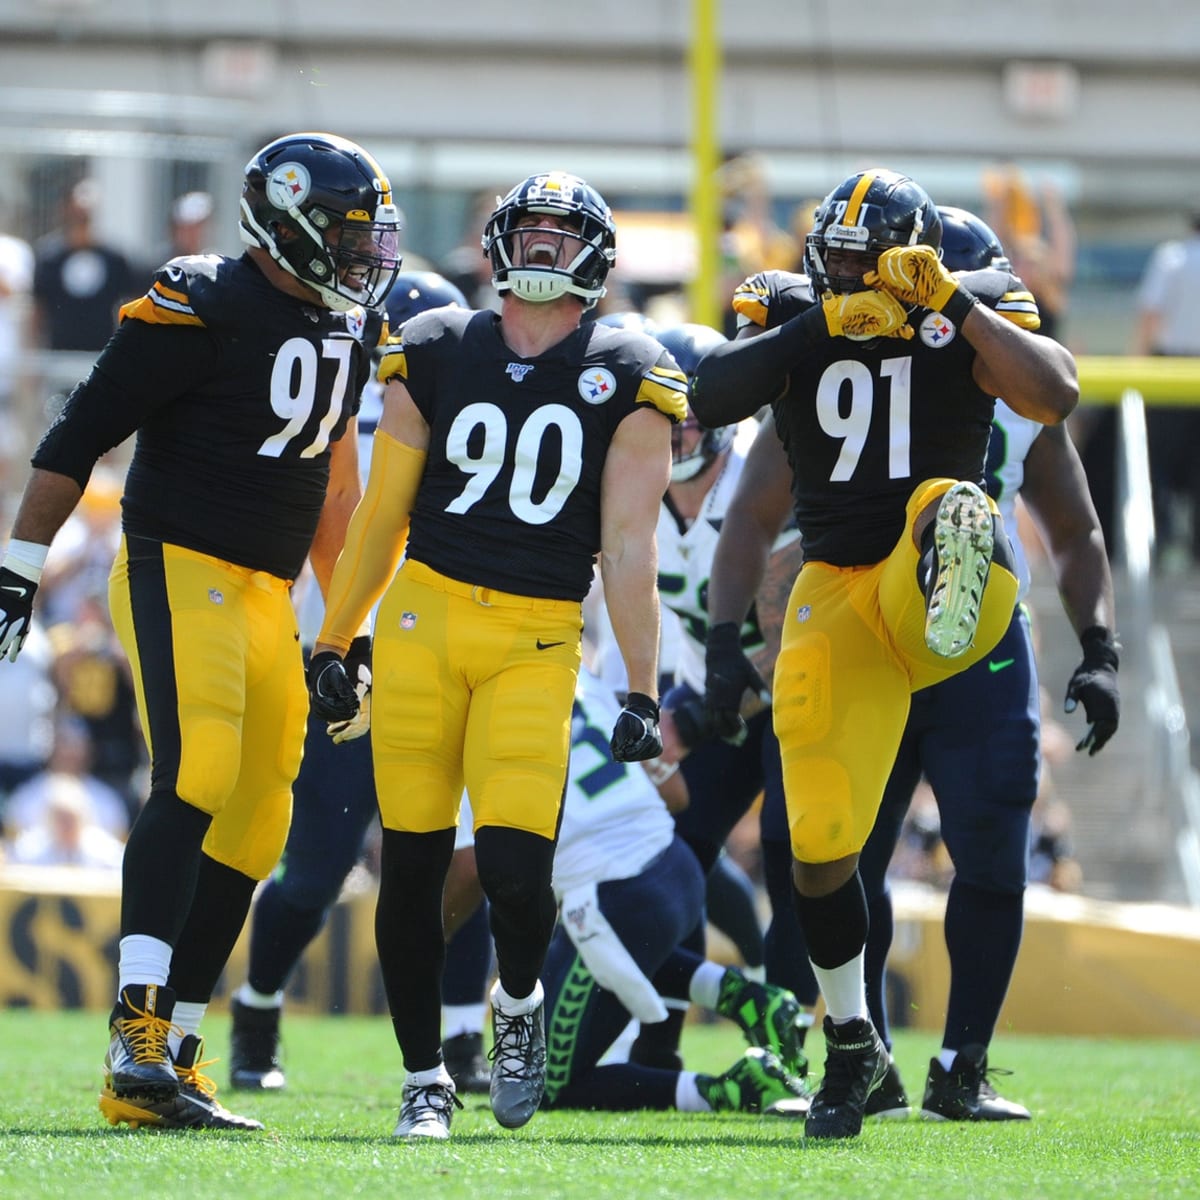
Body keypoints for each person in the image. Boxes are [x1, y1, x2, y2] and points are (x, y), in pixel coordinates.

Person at [0, 131, 403, 1131]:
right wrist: (17, 569)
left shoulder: (349, 328)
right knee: (198, 774)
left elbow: (335, 493)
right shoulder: (202, 297)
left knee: (262, 809)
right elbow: (78, 432)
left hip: (267, 590)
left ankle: (175, 1048)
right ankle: (133, 1027)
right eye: (350, 238)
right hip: (179, 562)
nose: (365, 259)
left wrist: (345, 636)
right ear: (289, 222)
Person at [691, 166, 1078, 1139]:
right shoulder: (802, 316)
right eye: (837, 260)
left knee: (946, 505)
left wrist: (945, 301)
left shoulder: (965, 307)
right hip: (838, 590)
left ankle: (965, 1058)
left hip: (937, 580)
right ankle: (853, 1044)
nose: (851, 273)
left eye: (873, 262)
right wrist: (823, 324)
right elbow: (710, 392)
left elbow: (1057, 392)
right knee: (820, 850)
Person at [307, 170, 688, 1141]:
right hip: (425, 624)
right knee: (414, 869)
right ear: (496, 244)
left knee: (519, 871)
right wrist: (336, 634)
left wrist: (640, 688)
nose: (546, 249)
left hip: (536, 633)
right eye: (533, 232)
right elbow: (380, 516)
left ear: (595, 257)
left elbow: (630, 546)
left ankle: (514, 1005)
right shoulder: (435, 346)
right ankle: (423, 1076)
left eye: (566, 236)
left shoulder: (632, 366)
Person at [849, 206, 1119, 1122]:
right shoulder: (853, 368)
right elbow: (770, 512)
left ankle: (961, 1064)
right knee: (847, 856)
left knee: (995, 856)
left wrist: (1102, 648)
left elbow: (1077, 528)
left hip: (980, 647)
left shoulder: (1017, 387)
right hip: (869, 634)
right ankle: (862, 1055)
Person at [223, 270, 498, 1096]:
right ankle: (257, 1008)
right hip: (342, 656)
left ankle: (458, 1042)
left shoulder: (474, 414)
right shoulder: (337, 411)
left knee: (463, 859)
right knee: (314, 868)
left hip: (438, 652)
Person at [603, 320, 819, 1075]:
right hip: (705, 698)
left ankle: (789, 1048)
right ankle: (658, 1037)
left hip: (788, 697)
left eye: (693, 407)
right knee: (666, 855)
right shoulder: (637, 485)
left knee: (801, 861)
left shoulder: (760, 477)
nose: (679, 425)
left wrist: (689, 716)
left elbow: (784, 635)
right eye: (666, 409)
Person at [540, 662, 808, 1115]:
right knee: (624, 947)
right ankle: (747, 997)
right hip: (674, 862)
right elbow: (677, 795)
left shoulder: (486, 711)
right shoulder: (576, 674)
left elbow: (472, 866)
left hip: (615, 899)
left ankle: (731, 1089)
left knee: (541, 1081)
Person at [1131, 209, 1200, 567]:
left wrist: (1138, 365)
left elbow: (1150, 315)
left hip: (1170, 368)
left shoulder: (1172, 257)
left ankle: (1161, 541)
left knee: (1158, 461)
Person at [31, 178, 138, 353]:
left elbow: (130, 304)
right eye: (76, 215)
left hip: (101, 355)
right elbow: (38, 310)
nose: (80, 222)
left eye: (85, 217)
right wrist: (33, 357)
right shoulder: (49, 258)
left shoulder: (113, 258)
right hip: (58, 356)